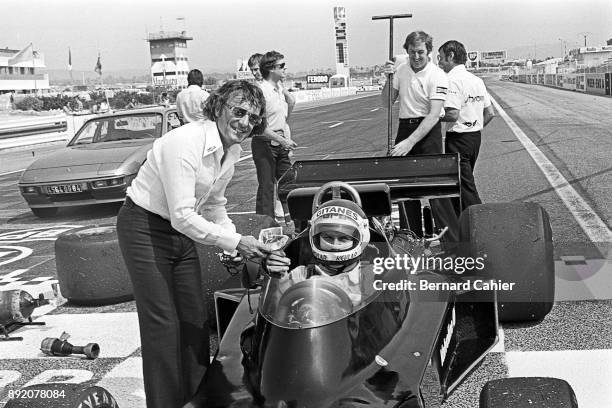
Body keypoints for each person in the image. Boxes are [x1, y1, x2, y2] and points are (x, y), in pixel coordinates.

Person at [116, 80, 289, 408]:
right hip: (144, 227)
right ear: (219, 107)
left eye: (253, 119)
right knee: (163, 326)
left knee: (195, 320)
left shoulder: (231, 150)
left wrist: (231, 247)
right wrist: (239, 242)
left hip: (179, 231)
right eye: (239, 112)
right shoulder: (184, 142)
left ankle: (198, 401)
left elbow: (213, 206)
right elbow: (182, 215)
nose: (244, 123)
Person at [380, 30, 459, 245]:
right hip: (404, 127)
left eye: (421, 52)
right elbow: (386, 102)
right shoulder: (401, 70)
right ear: (407, 51)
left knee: (437, 192)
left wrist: (409, 142)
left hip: (427, 131)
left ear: (429, 52)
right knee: (405, 192)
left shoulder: (437, 75)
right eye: (413, 52)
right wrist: (388, 78)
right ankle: (410, 241)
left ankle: (453, 246)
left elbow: (434, 115)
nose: (416, 56)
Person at [274, 198, 372, 308]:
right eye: (328, 237)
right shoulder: (299, 275)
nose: (335, 245)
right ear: (315, 238)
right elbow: (276, 312)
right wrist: (271, 270)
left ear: (360, 239)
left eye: (344, 238)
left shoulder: (369, 276)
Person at [437, 40, 496, 216]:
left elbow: (453, 114)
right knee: (460, 186)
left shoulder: (451, 80)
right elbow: (490, 113)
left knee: (465, 188)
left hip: (458, 141)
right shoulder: (476, 80)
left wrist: (432, 116)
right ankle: (463, 227)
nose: (439, 63)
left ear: (451, 56)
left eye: (441, 58)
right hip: (474, 139)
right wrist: (474, 127)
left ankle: (483, 221)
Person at [251, 51, 297, 227]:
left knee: (289, 183)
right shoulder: (261, 91)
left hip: (280, 143)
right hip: (265, 144)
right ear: (271, 69)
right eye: (282, 66)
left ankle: (292, 223)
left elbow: (284, 117)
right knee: (267, 188)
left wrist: (285, 140)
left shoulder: (278, 89)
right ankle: (265, 227)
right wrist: (283, 140)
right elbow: (259, 128)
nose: (285, 69)